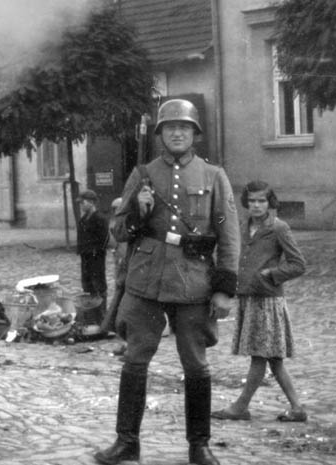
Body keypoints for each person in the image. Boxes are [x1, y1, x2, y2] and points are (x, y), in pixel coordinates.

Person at [94, 99, 240, 465]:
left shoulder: (213, 176)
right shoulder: (142, 174)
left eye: (184, 128)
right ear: (160, 134)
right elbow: (117, 230)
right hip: (145, 281)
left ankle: (199, 446)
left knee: (196, 364)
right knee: (134, 361)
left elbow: (230, 236)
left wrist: (224, 288)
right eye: (170, 127)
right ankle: (127, 442)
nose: (177, 133)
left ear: (194, 135)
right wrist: (140, 213)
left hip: (193, 281)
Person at [212, 180, 307, 423]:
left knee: (259, 355)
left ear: (270, 202)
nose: (256, 206)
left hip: (268, 301)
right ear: (246, 202)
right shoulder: (242, 227)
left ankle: (240, 406)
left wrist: (272, 274)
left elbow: (298, 264)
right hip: (248, 298)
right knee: (274, 359)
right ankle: (297, 408)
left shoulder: (279, 228)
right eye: (252, 201)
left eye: (261, 201)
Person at [76, 189, 109, 327]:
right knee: (87, 286)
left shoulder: (100, 219)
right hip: (86, 259)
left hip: (96, 258)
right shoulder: (83, 220)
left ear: (90, 202)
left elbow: (104, 240)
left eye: (83, 203)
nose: (81, 206)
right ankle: (91, 318)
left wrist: (95, 251)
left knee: (99, 286)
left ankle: (102, 319)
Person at [99, 197, 128, 354]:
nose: (115, 212)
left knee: (125, 309)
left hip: (127, 275)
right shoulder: (115, 224)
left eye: (117, 208)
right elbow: (114, 248)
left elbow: (123, 252)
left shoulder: (125, 225)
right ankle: (123, 339)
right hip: (121, 273)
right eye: (114, 209)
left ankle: (127, 343)